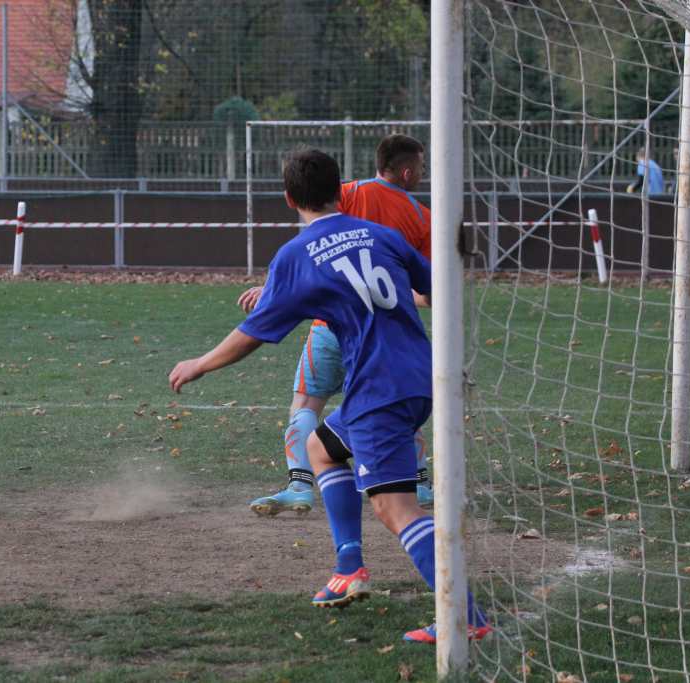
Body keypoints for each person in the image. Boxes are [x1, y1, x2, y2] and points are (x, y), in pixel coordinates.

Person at [169, 148, 490, 643]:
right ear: (341, 190)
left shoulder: (297, 255)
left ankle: (467, 618)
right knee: (321, 447)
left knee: (394, 508)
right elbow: (437, 288)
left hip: (380, 389)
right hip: (418, 375)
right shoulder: (382, 235)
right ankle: (350, 568)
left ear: (288, 198)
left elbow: (255, 331)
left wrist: (200, 363)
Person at [238, 134, 433, 516]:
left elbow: (316, 236)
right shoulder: (423, 216)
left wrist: (278, 286)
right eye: (422, 167)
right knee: (396, 402)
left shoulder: (347, 192)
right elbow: (427, 293)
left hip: (332, 325)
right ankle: (419, 484)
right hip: (391, 333)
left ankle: (299, 485)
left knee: (307, 402)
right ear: (408, 171)